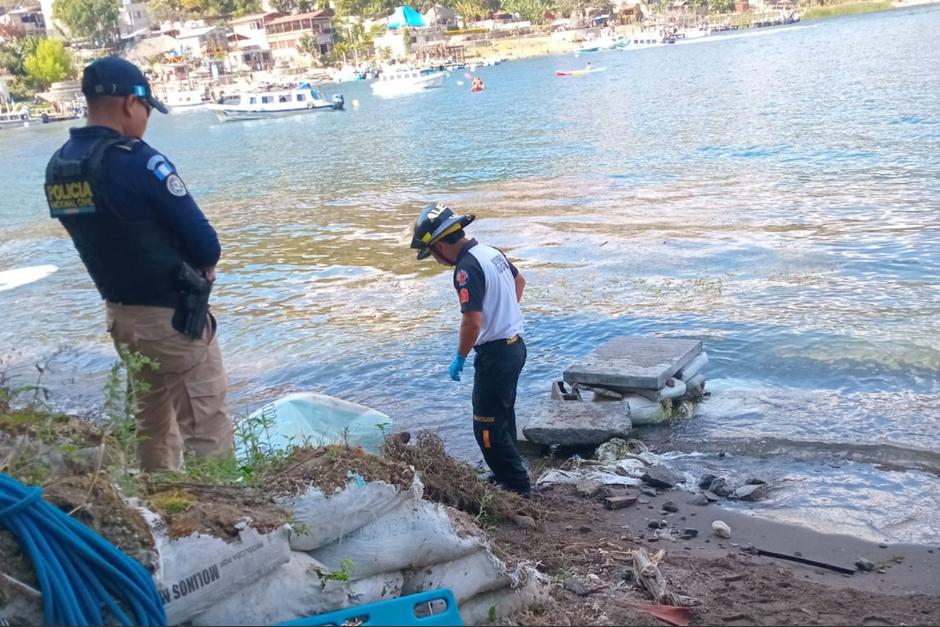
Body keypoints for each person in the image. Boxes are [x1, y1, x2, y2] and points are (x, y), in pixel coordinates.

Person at [44, 57, 234, 472]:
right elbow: (206, 244)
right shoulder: (138, 161)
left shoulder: (60, 167)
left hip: (121, 316)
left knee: (153, 426)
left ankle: (162, 502)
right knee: (206, 426)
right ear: (132, 103)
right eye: (147, 109)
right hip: (174, 320)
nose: (147, 120)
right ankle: (225, 505)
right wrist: (203, 264)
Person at [409, 203, 531, 496]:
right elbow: (519, 281)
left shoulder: (466, 268)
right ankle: (508, 473)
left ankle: (517, 486)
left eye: (432, 254)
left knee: (485, 427)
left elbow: (471, 322)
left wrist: (460, 356)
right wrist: (504, 315)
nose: (437, 261)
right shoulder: (490, 252)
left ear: (440, 245)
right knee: (504, 416)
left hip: (496, 356)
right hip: (515, 346)